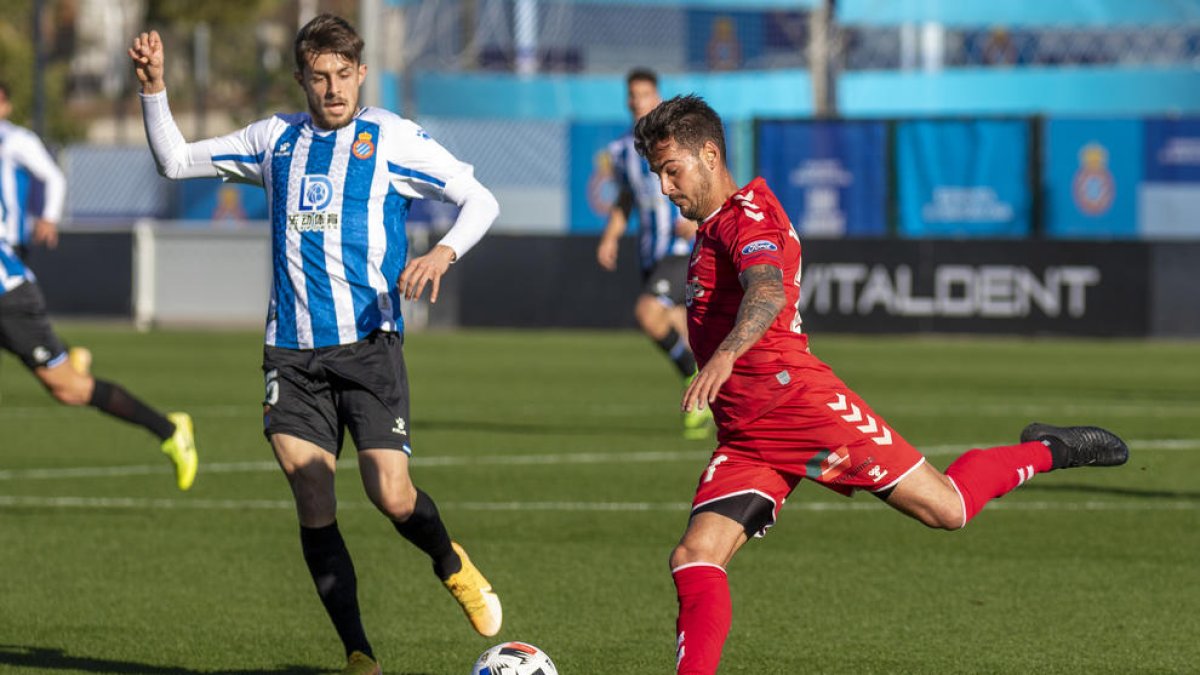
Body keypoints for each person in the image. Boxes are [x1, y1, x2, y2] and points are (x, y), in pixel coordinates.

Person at [632, 95, 1131, 675]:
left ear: (710, 155)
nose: (665, 188)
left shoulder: (749, 216)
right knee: (695, 556)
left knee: (947, 509)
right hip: (747, 432)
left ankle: (1049, 449)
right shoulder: (712, 225)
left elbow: (766, 289)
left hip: (801, 406)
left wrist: (725, 355)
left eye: (672, 171)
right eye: (658, 175)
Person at [130, 15, 502, 675]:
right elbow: (175, 160)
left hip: (367, 347)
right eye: (320, 76)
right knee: (312, 495)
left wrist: (443, 252)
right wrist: (154, 89)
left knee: (391, 495)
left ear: (362, 74)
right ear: (301, 78)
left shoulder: (390, 137)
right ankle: (359, 653)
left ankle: (450, 561)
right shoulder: (274, 140)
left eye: (343, 75)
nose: (333, 89)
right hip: (291, 355)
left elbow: (481, 200)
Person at [0, 84, 197, 492]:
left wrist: (48, 215)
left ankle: (169, 429)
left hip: (9, 295)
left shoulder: (17, 140)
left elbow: (52, 177)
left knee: (69, 389)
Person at [595, 69, 711, 439]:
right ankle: (710, 405)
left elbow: (708, 179)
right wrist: (610, 237)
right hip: (650, 253)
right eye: (633, 95)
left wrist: (697, 216)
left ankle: (696, 379)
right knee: (685, 333)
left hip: (681, 249)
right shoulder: (620, 150)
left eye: (644, 94)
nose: (638, 101)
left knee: (648, 313)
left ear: (656, 97)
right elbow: (625, 199)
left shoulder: (677, 141)